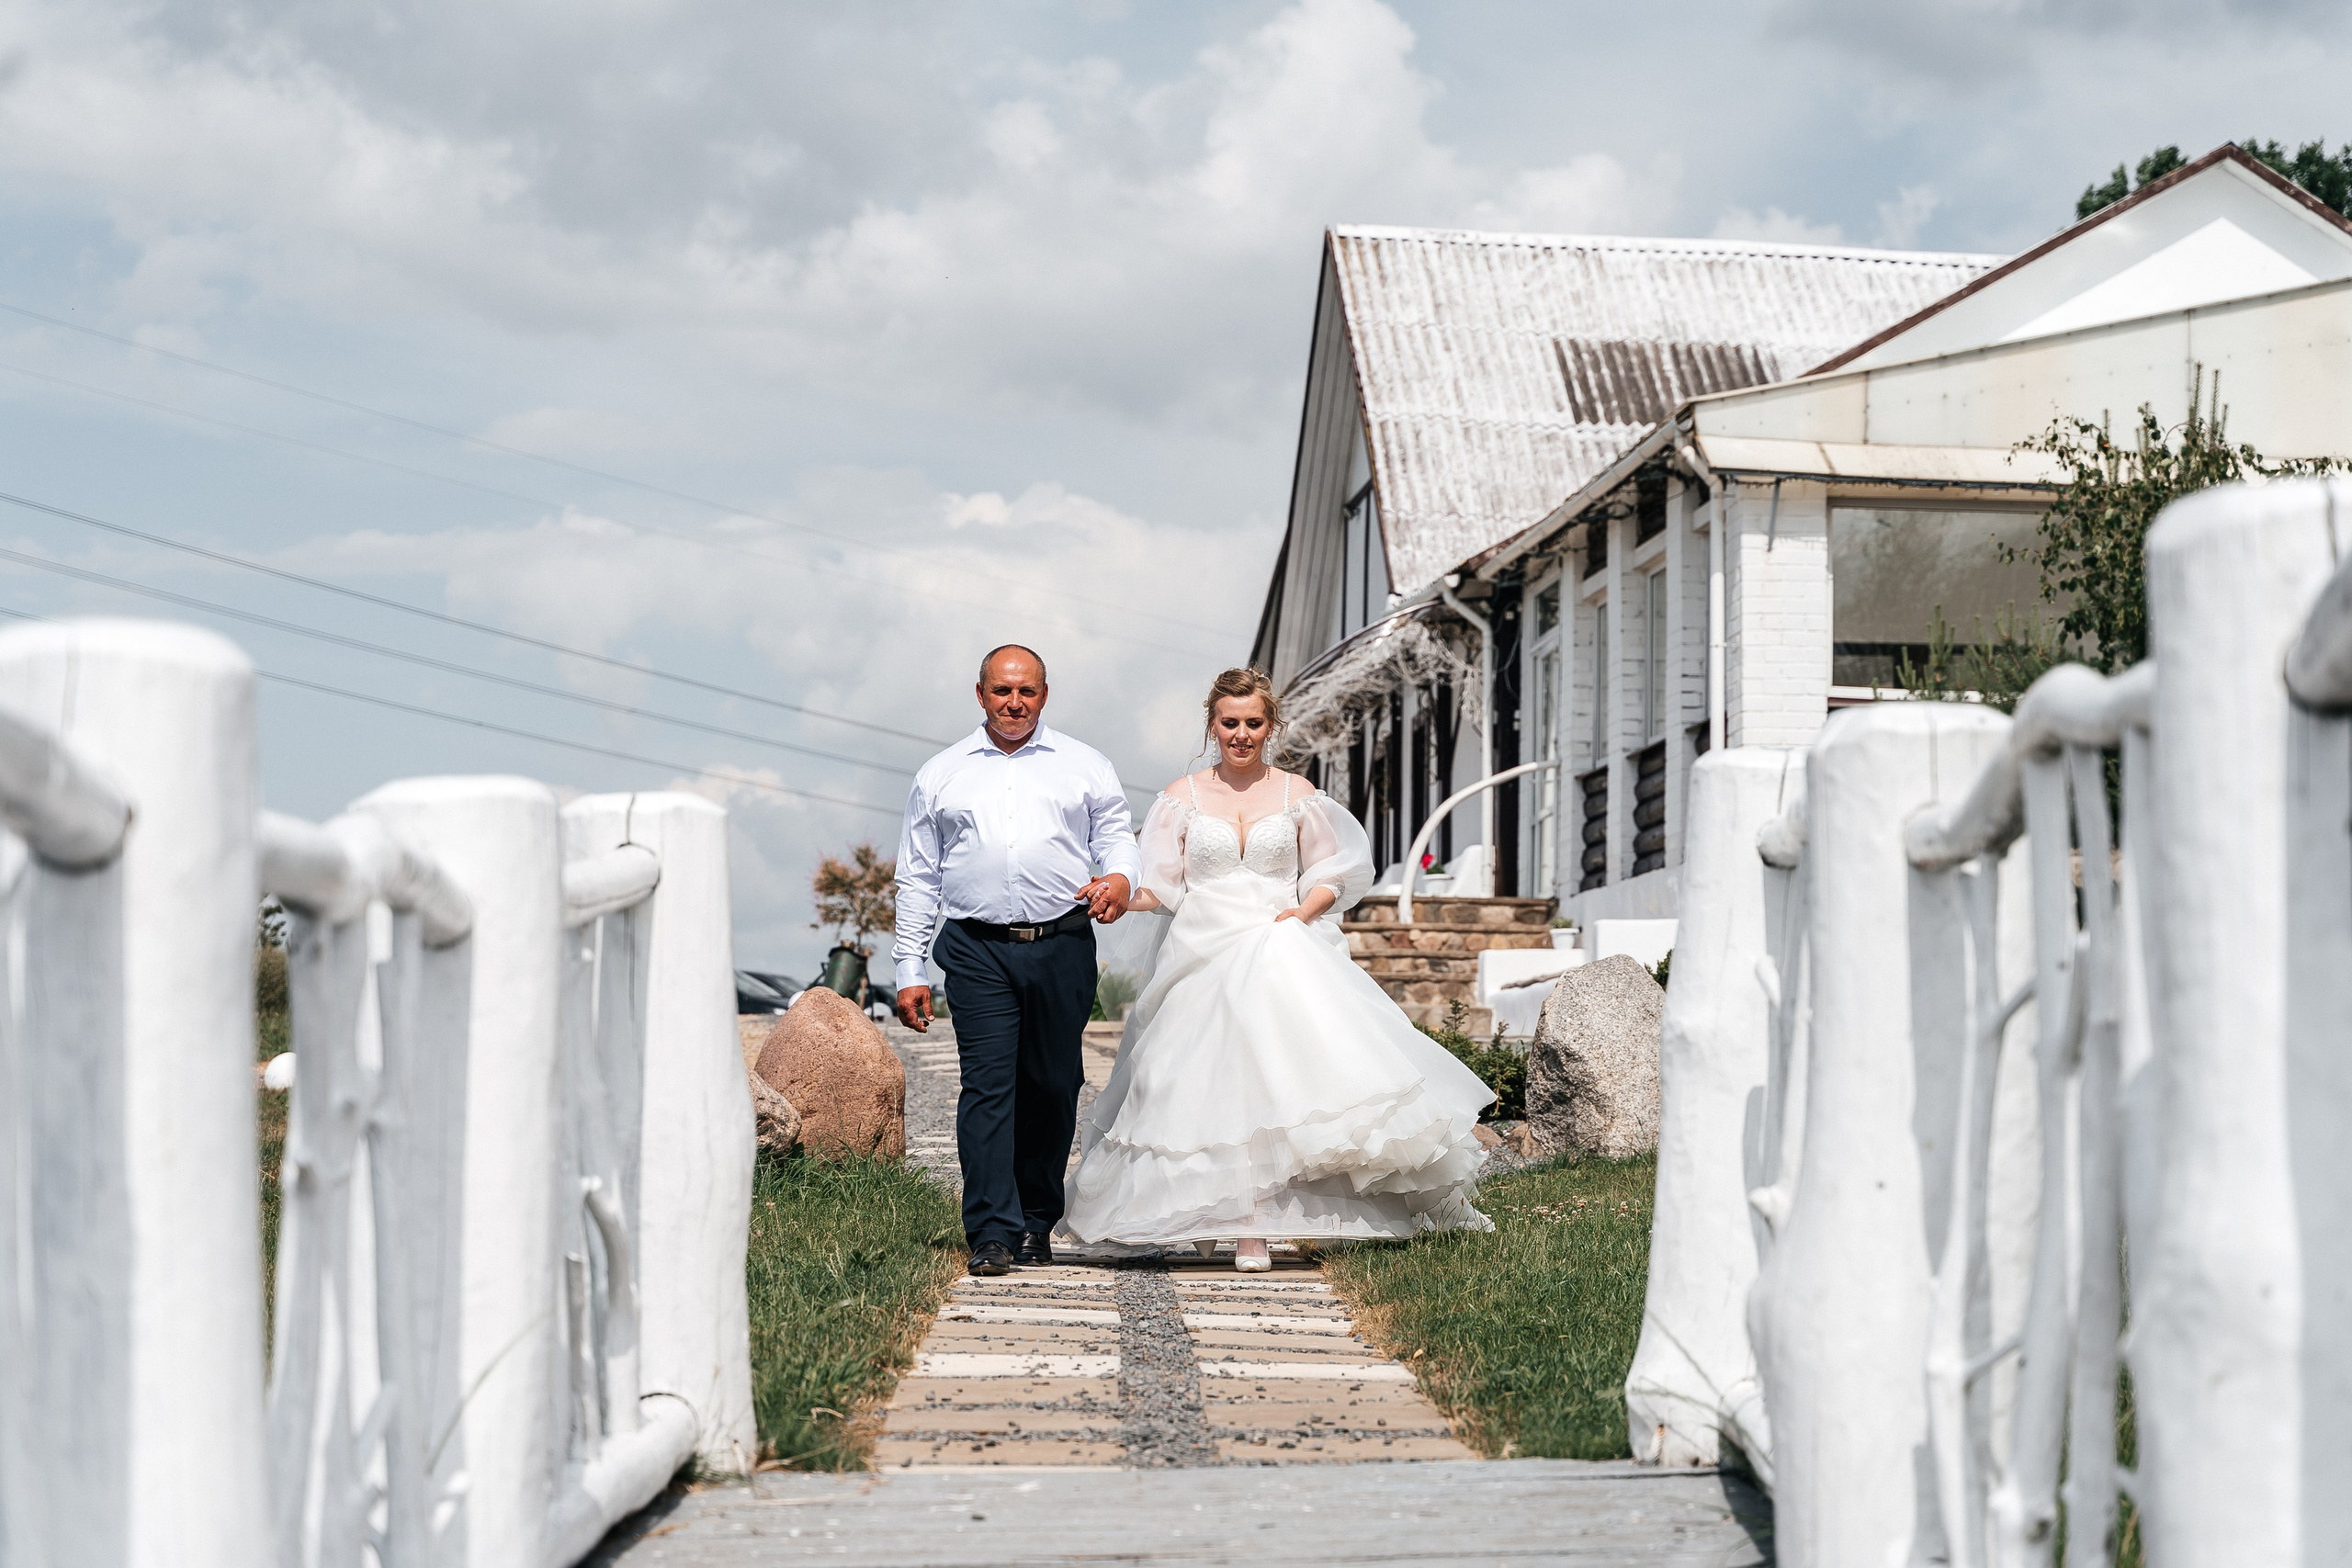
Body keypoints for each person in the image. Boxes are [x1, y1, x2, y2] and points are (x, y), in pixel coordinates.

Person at [1057, 667, 1494, 1269]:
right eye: (1229, 722)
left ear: (1271, 726)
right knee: (1204, 1084)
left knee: (1300, 1079)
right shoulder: (1179, 797)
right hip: (1203, 947)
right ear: (1212, 725)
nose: (1241, 734)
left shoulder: (1297, 793)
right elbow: (1158, 882)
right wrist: (1116, 896)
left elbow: (1334, 868)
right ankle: (1227, 1214)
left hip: (1277, 937)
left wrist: (1302, 911)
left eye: (1253, 723)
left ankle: (1262, 1221)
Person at [894, 644, 1139, 1277]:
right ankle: (992, 1230)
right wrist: (910, 968)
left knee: (1054, 1085)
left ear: (1044, 695)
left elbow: (1115, 833)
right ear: (980, 694)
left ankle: (1036, 1218)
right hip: (975, 949)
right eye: (1002, 690)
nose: (1014, 702)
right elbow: (918, 878)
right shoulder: (941, 773)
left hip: (1061, 943)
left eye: (1026, 691)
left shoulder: (1084, 765)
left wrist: (1118, 877)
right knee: (988, 1088)